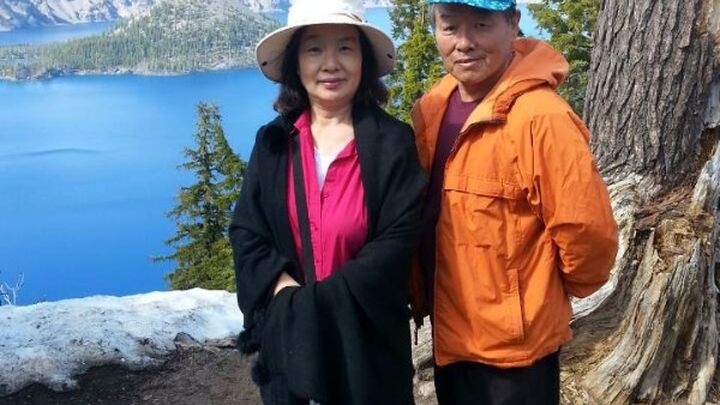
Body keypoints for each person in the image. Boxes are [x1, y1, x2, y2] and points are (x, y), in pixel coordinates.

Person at [409, 1, 619, 404]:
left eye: (481, 25)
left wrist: (536, 299)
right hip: (451, 337)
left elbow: (588, 233)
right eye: (450, 27)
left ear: (513, 23)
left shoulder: (541, 117)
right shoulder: (433, 109)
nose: (464, 42)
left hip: (515, 358)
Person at [229, 0, 426, 403]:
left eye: (345, 48)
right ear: (296, 63)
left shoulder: (392, 143)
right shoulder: (274, 143)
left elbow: (398, 240)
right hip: (289, 344)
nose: (330, 64)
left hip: (367, 345)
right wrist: (282, 288)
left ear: (364, 61)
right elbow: (247, 231)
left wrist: (317, 304)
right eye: (314, 49)